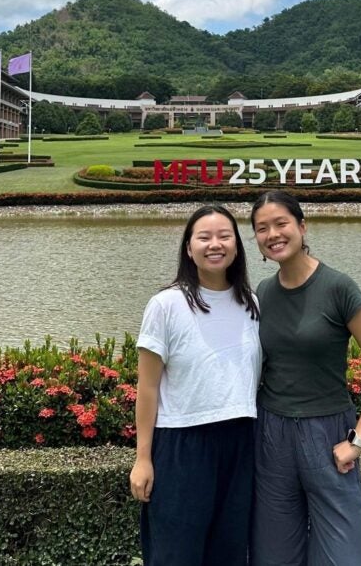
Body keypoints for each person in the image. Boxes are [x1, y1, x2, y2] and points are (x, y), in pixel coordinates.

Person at [249, 190, 361, 566]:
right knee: (273, 556)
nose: (273, 234)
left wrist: (358, 441)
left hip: (329, 433)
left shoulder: (338, 287)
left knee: (342, 556)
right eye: (262, 228)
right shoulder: (263, 292)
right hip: (272, 434)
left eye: (281, 224)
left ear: (302, 226)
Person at [130, 204, 261, 565]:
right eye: (203, 237)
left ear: (237, 246)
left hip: (239, 440)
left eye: (224, 236)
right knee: (177, 554)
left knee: (230, 553)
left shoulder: (251, 303)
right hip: (182, 443)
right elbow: (148, 387)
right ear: (189, 248)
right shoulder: (166, 304)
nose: (214, 244)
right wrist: (143, 458)